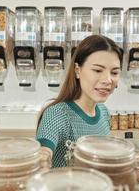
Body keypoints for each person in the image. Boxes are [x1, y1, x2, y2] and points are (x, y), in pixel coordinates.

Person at [36, 35, 123, 168]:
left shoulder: (104, 113)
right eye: (98, 70)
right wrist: (42, 162)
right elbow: (43, 154)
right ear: (78, 71)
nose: (107, 80)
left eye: (114, 73)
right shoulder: (57, 114)